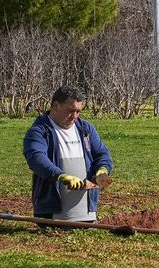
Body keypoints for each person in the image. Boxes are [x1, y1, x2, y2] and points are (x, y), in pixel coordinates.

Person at [23, 86, 113, 222]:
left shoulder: (86, 129)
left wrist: (102, 169)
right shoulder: (39, 131)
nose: (75, 116)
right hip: (51, 216)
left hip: (87, 216)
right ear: (56, 106)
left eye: (78, 111)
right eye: (71, 111)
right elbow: (36, 158)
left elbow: (102, 154)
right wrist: (61, 176)